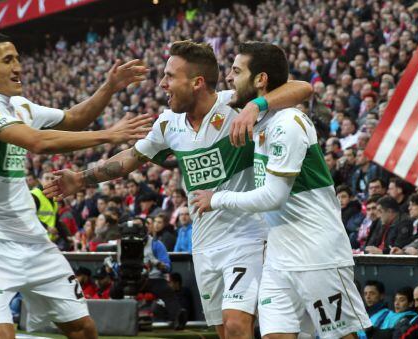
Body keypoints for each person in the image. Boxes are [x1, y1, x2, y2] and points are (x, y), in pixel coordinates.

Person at [43, 40, 313, 339]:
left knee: (237, 324)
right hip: (204, 243)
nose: (162, 84)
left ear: (197, 82)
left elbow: (302, 88)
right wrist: (81, 179)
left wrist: (255, 105)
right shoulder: (169, 123)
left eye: (170, 76)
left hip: (247, 237)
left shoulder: (233, 104)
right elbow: (132, 157)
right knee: (225, 331)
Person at [0, 32, 152, 339]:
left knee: (84, 330)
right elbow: (38, 142)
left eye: (17, 58)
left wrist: (109, 87)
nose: (18, 65)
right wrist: (109, 135)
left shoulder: (20, 106)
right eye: (7, 60)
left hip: (32, 242)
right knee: (0, 334)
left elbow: (73, 118)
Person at [191, 41, 371, 338]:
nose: (229, 78)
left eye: (236, 71)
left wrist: (217, 199)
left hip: (317, 255)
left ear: (260, 79)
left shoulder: (288, 122)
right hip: (278, 258)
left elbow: (274, 197)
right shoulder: (261, 121)